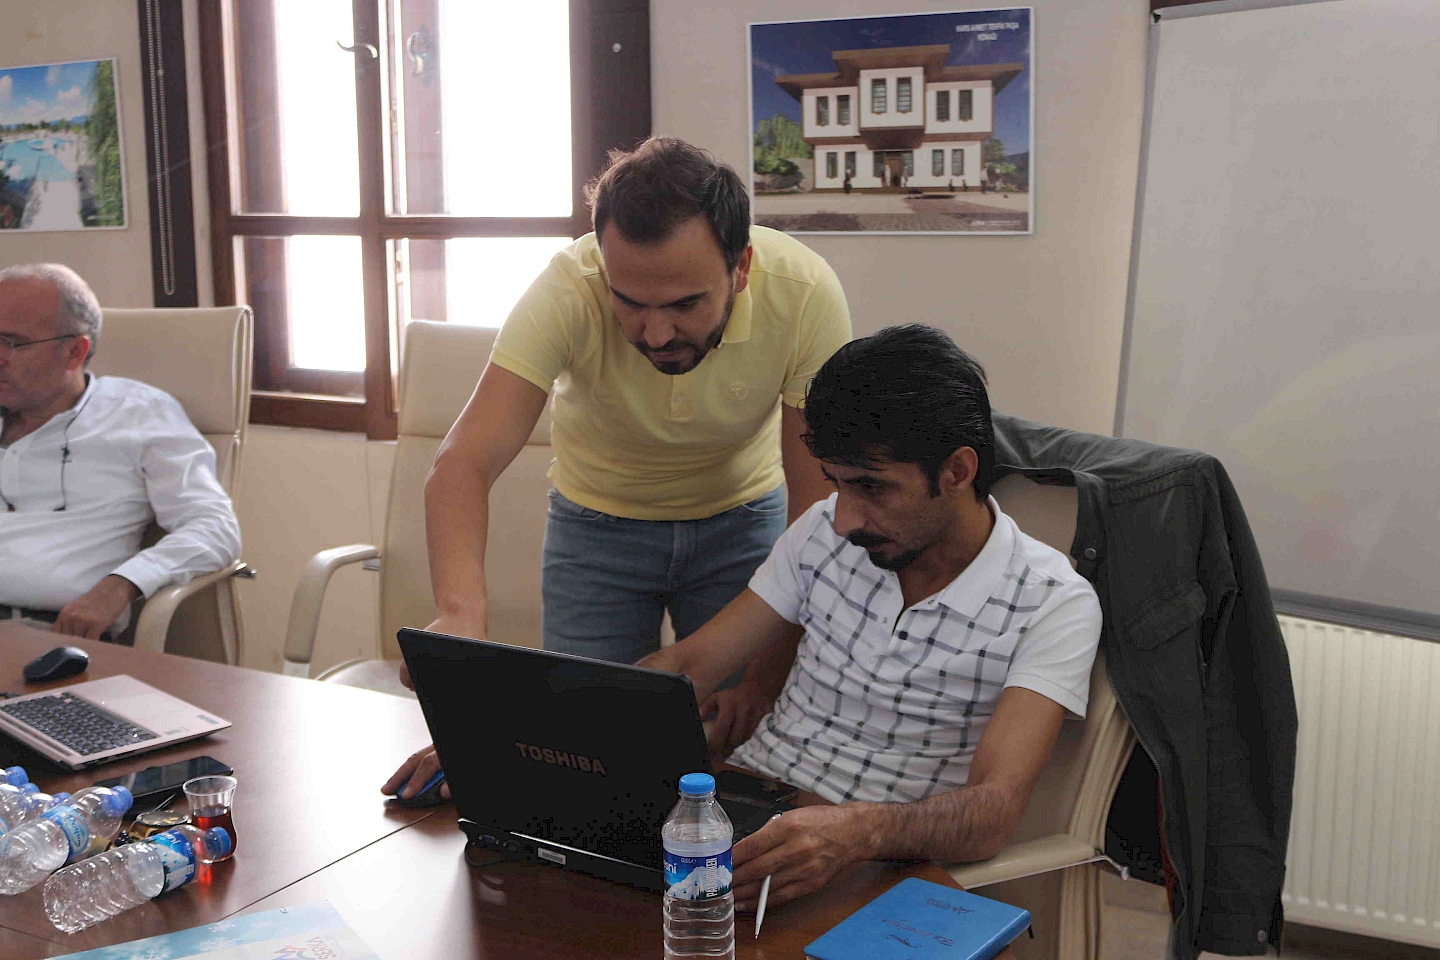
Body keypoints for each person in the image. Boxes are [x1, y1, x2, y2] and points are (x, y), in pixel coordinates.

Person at [385, 138, 850, 799]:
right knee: (580, 759)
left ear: (740, 268)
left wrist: (764, 680)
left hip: (745, 527)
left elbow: (817, 512)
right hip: (595, 533)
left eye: (684, 304)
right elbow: (462, 462)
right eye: (630, 301)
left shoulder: (805, 294)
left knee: (730, 755)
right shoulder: (567, 288)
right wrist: (460, 616)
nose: (655, 334)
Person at [636, 324, 1103, 911]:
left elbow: (992, 812)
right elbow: (693, 662)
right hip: (753, 814)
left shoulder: (1053, 601)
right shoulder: (821, 532)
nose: (843, 520)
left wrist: (857, 832)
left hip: (884, 865)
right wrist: (584, 731)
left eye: (871, 488)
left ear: (957, 472)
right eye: (836, 484)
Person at [0, 263, 241, 640]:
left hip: (47, 633)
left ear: (75, 352)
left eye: (12, 343)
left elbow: (214, 528)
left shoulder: (137, 414)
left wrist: (120, 585)